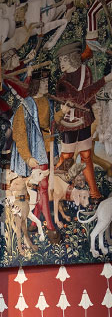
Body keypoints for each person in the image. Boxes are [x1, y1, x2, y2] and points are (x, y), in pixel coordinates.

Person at [53, 39, 112, 202]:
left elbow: (88, 94)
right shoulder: (61, 83)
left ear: (73, 57)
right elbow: (80, 97)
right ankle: (56, 186)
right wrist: (105, 80)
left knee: (86, 156)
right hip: (68, 124)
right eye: (60, 60)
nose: (61, 63)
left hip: (84, 120)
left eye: (64, 59)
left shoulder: (86, 71)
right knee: (67, 158)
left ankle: (94, 193)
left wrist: (94, 108)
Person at [11, 69, 61, 244]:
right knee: (43, 186)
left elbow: (52, 125)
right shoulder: (26, 104)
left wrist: (65, 111)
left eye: (48, 82)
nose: (46, 85)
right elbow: (19, 132)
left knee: (42, 188)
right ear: (36, 84)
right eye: (44, 82)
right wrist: (27, 157)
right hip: (34, 151)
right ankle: (50, 227)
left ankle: (34, 221)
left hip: (47, 149)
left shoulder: (48, 102)